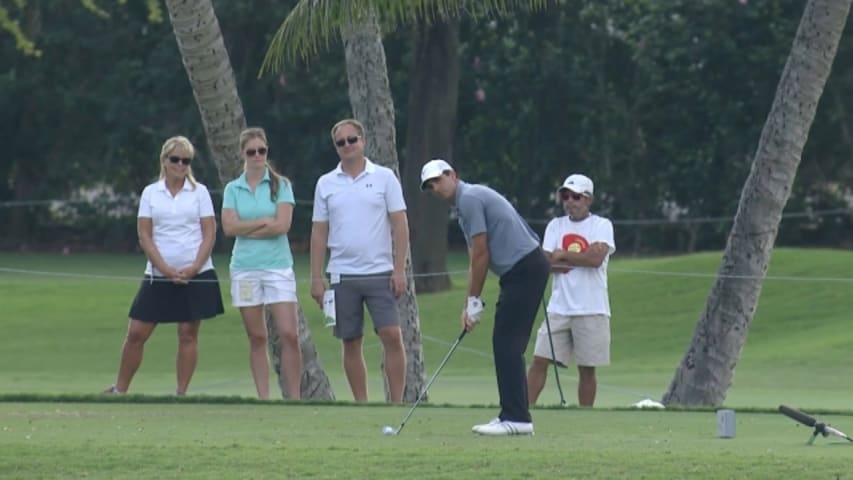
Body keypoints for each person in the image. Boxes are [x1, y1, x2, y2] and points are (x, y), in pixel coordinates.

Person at [420, 159, 549, 436]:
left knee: (508, 344)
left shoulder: (470, 198)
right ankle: (512, 414)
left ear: (453, 174)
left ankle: (517, 418)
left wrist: (474, 302)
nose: (436, 188)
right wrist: (469, 303)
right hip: (522, 271)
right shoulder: (465, 206)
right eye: (430, 186)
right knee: (505, 342)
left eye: (438, 180)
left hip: (525, 269)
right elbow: (473, 259)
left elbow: (482, 254)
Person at [105, 136, 224, 395]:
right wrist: (165, 269)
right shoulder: (151, 193)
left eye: (186, 161)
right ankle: (120, 389)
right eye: (175, 159)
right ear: (164, 160)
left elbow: (209, 233)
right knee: (137, 331)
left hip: (196, 272)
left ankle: (181, 393)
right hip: (158, 273)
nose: (180, 165)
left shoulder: (199, 192)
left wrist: (193, 268)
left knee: (188, 333)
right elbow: (145, 235)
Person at [309, 118, 409, 403]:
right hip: (342, 273)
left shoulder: (384, 177)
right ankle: (361, 403)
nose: (347, 146)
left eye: (352, 140)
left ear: (363, 141)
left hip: (380, 271)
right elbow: (319, 232)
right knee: (350, 340)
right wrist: (316, 277)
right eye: (341, 143)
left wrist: (399, 268)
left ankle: (396, 403)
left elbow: (400, 225)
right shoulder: (326, 183)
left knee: (391, 334)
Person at [221, 128, 301, 400]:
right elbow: (229, 228)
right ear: (242, 154)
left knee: (289, 334)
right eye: (251, 152)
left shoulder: (281, 185)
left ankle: (294, 397)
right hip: (244, 268)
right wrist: (261, 222)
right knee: (257, 336)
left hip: (277, 266)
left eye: (262, 151)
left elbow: (282, 225)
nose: (257, 157)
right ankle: (263, 397)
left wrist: (249, 228)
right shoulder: (233, 188)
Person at [526, 174, 614, 407]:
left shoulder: (602, 225)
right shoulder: (555, 225)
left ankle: (585, 415)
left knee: (587, 369)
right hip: (559, 307)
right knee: (539, 360)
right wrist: (578, 258)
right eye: (565, 196)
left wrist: (563, 254)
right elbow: (545, 263)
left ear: (588, 199)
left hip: (592, 307)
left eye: (575, 196)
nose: (569, 201)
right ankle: (523, 410)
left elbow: (596, 259)